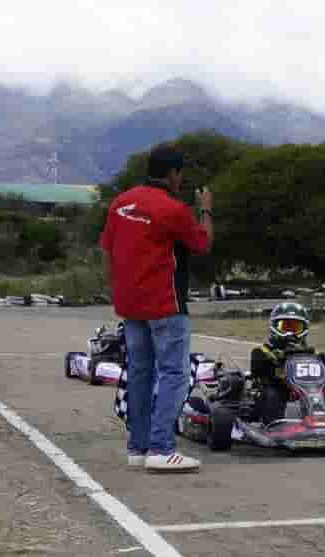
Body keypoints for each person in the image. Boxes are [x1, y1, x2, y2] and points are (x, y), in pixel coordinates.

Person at [100, 143, 213, 472]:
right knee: (174, 374)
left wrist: (117, 289)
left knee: (139, 373)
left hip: (130, 303)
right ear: (174, 174)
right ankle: (162, 448)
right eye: (181, 174)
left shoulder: (121, 203)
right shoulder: (174, 209)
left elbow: (107, 248)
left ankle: (138, 447)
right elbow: (203, 243)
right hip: (165, 303)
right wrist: (205, 209)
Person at [249, 302, 325, 424]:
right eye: (284, 327)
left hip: (309, 392)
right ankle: (275, 424)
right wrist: (282, 358)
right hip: (277, 391)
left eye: (295, 328)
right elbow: (260, 375)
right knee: (271, 395)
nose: (290, 333)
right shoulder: (261, 352)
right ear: (274, 327)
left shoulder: (316, 355)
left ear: (304, 329)